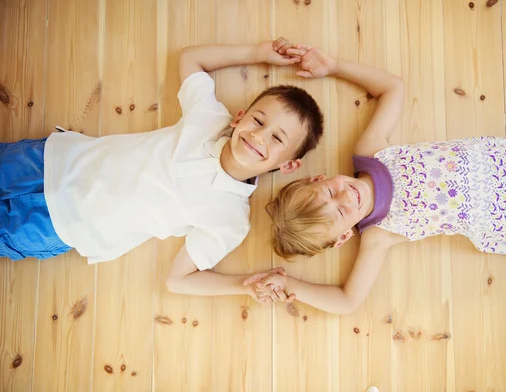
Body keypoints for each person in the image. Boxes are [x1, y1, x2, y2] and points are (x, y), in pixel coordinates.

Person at [244, 44, 506, 314]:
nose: (345, 196)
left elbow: (392, 88)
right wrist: (290, 285)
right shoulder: (380, 235)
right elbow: (348, 301)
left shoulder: (370, 153)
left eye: (330, 191)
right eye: (339, 213)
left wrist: (333, 66)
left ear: (320, 176)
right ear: (343, 238)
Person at [0, 37, 323, 303]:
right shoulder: (210, 118)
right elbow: (191, 59)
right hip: (53, 160)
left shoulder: (230, 220)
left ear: (288, 165)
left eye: (277, 138)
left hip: (63, 225)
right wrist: (255, 53)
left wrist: (243, 284)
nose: (258, 135)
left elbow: (179, 280)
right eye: (258, 120)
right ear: (239, 117)